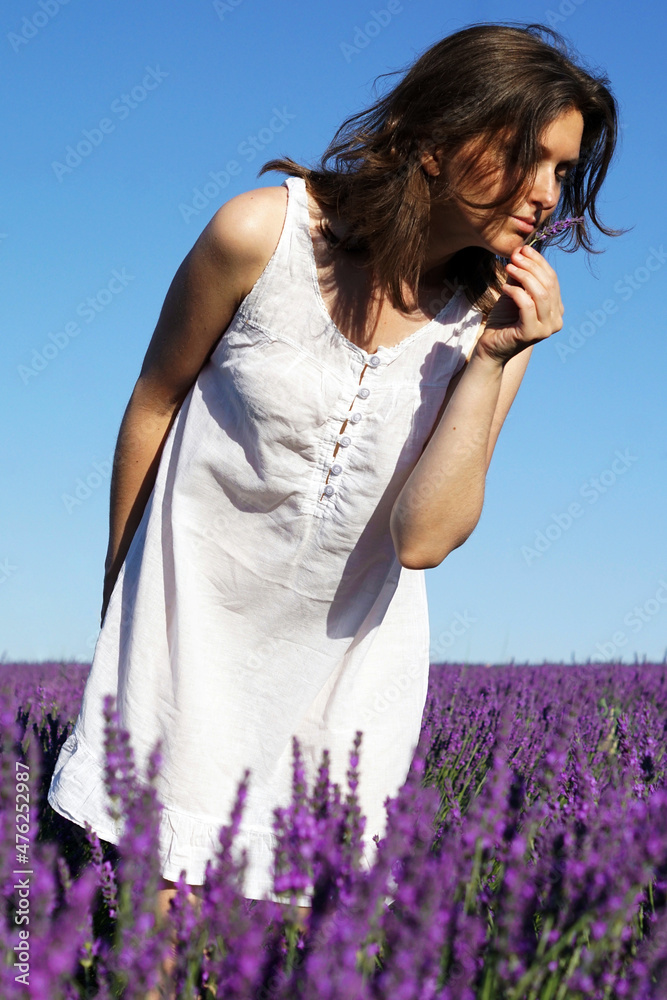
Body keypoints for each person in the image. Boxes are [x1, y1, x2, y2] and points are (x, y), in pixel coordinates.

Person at [47, 18, 622, 996]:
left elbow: (424, 536)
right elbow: (152, 402)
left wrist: (493, 360)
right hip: (181, 670)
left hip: (339, 707)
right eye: (528, 157)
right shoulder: (258, 234)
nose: (545, 196)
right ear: (436, 135)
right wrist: (118, 598)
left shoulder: (490, 331)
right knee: (141, 968)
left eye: (563, 173)